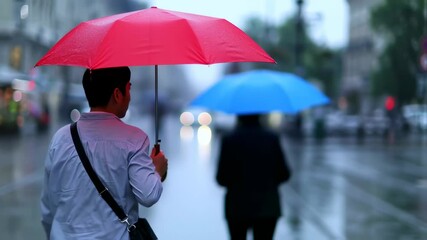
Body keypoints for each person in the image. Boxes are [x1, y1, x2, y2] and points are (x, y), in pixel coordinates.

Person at [40, 67, 168, 239]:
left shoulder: (61, 137)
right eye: (129, 88)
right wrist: (157, 171)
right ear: (117, 94)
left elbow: (49, 203)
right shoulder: (135, 139)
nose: (130, 96)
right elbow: (148, 195)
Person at [216, 114, 291, 240]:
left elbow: (221, 178)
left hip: (237, 208)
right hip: (267, 208)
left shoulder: (229, 139)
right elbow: (284, 174)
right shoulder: (272, 138)